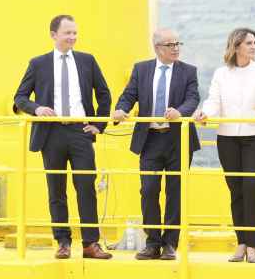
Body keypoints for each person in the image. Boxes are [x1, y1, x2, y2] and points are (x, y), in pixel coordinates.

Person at [13, 14, 113, 259]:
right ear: (53, 35)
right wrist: (37, 109)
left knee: (86, 187)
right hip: (52, 133)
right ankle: (63, 242)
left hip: (80, 131)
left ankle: (91, 243)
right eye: (68, 33)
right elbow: (20, 97)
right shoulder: (38, 64)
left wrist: (99, 125)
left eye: (75, 33)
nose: (73, 37)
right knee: (56, 190)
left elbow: (104, 93)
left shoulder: (87, 61)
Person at [112, 29, 201, 261]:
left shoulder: (188, 71)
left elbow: (193, 98)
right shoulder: (141, 69)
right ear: (157, 48)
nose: (175, 48)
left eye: (177, 43)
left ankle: (170, 244)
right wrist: (121, 109)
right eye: (170, 44)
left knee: (175, 192)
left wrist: (179, 112)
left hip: (178, 139)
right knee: (149, 190)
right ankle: (152, 242)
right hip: (150, 139)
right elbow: (129, 95)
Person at [193, 28, 255, 264]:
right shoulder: (222, 73)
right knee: (236, 189)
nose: (253, 46)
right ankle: (241, 242)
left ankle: (253, 245)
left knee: (252, 187)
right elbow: (213, 100)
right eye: (248, 43)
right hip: (228, 138)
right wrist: (204, 113)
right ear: (236, 46)